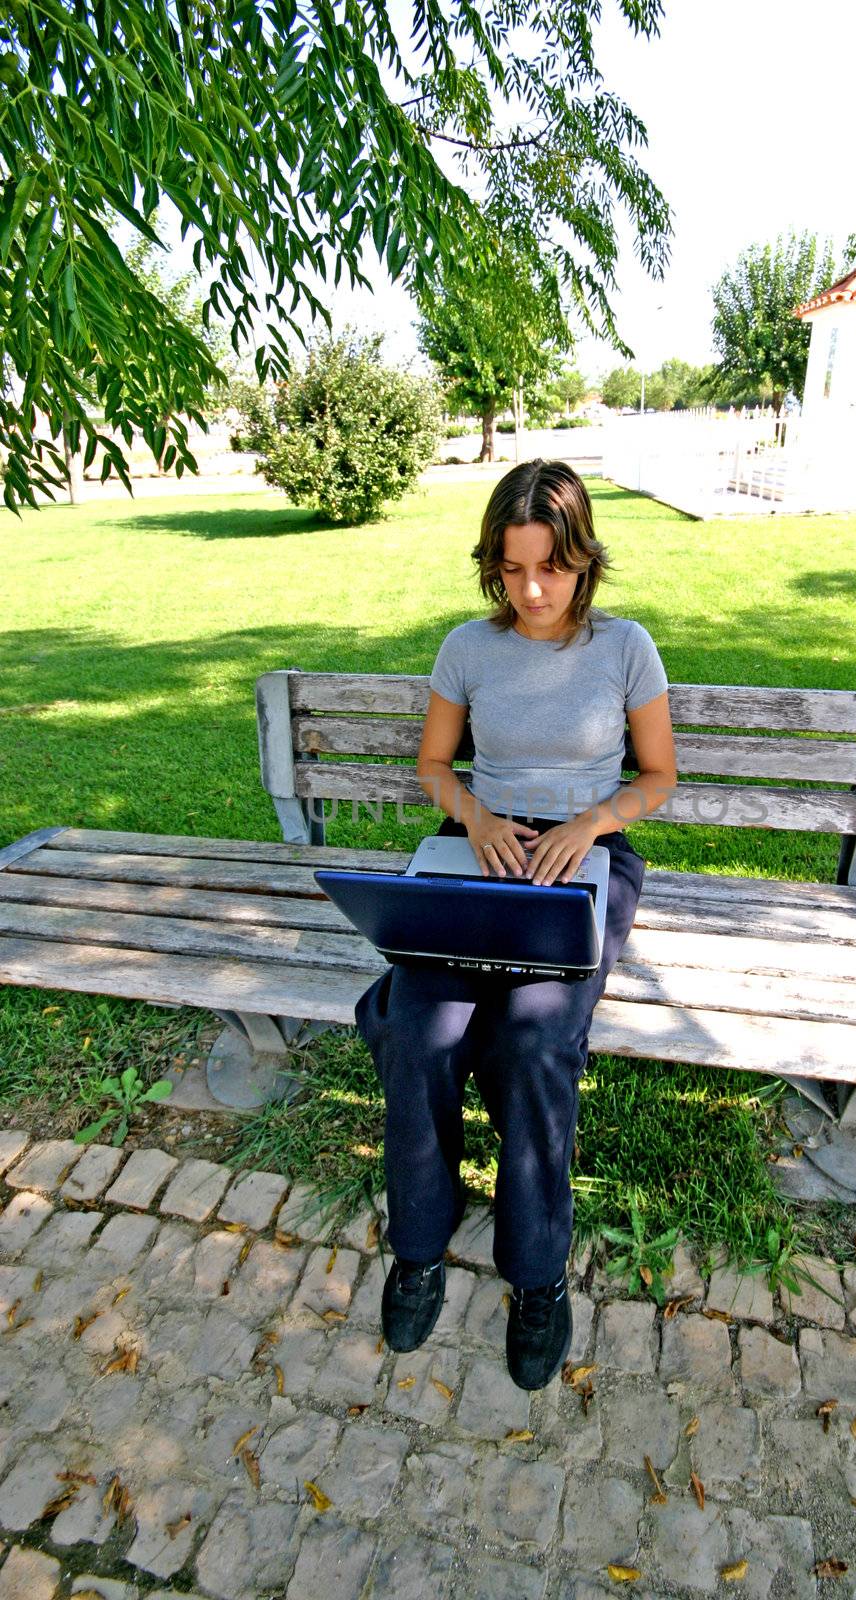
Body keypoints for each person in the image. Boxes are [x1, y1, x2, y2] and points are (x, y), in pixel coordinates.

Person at [354, 458, 677, 1390]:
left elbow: (655, 777)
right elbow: (432, 766)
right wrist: (475, 817)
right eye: (511, 568)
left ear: (584, 560)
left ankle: (535, 1275)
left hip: (585, 857)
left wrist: (588, 823)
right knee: (420, 1031)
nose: (531, 590)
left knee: (534, 1042)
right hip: (482, 848)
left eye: (551, 567)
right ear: (492, 565)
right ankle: (418, 1246)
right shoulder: (467, 646)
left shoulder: (625, 648)